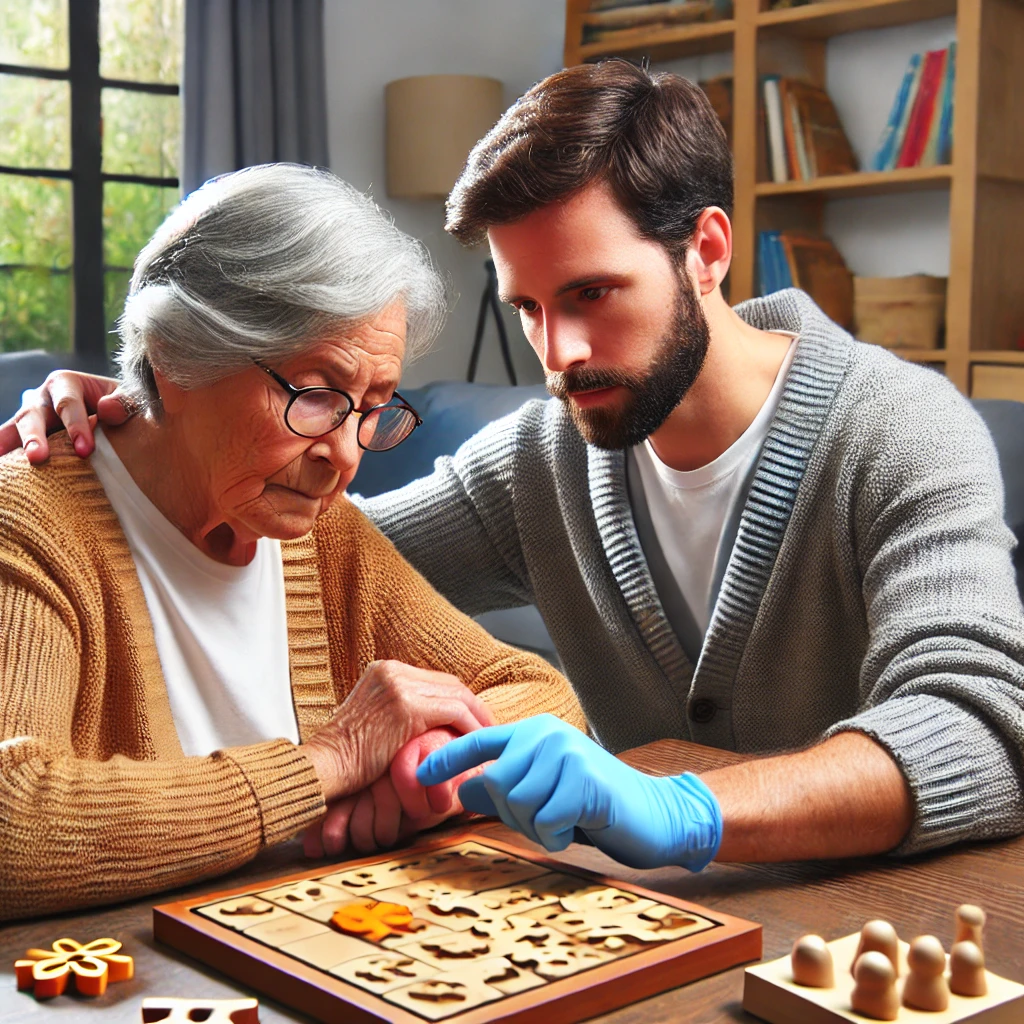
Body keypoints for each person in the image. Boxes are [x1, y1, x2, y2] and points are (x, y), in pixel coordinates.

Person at [8, 63, 1024, 871]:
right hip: (636, 916)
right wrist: (144, 406)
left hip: (878, 917)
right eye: (528, 307)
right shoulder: (545, 456)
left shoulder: (899, 434)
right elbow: (270, 544)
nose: (559, 352)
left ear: (707, 251)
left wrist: (686, 808)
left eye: (591, 292)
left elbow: (981, 734)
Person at [0, 163, 583, 922]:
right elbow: (14, 826)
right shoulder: (30, 521)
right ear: (177, 355)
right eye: (314, 394)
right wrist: (329, 763)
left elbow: (542, 698)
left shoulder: (323, 536)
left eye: (373, 406)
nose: (345, 456)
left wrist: (410, 773)